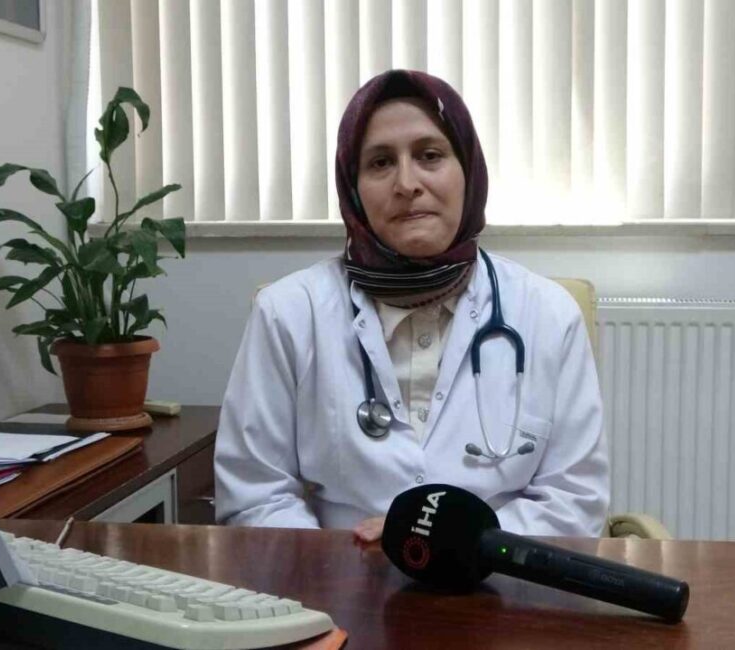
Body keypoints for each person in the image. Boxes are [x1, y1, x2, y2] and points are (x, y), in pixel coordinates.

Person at [214, 69, 608, 541]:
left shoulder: (549, 315)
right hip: (336, 575)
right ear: (353, 188)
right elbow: (255, 496)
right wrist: (339, 564)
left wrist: (451, 546)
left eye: (430, 155)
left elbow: (574, 501)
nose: (406, 183)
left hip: (499, 578)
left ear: (468, 171)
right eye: (380, 162)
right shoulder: (288, 314)